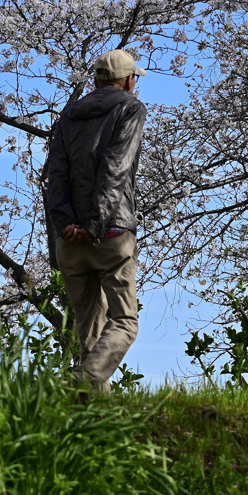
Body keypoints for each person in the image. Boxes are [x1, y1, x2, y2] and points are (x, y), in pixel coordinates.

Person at [46, 49, 147, 391]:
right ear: (129, 81)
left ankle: (88, 413)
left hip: (70, 241)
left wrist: (66, 225)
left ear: (95, 81)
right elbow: (115, 169)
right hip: (110, 233)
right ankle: (82, 381)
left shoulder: (69, 115)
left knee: (88, 329)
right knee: (124, 321)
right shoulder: (130, 108)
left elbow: (55, 176)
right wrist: (93, 224)